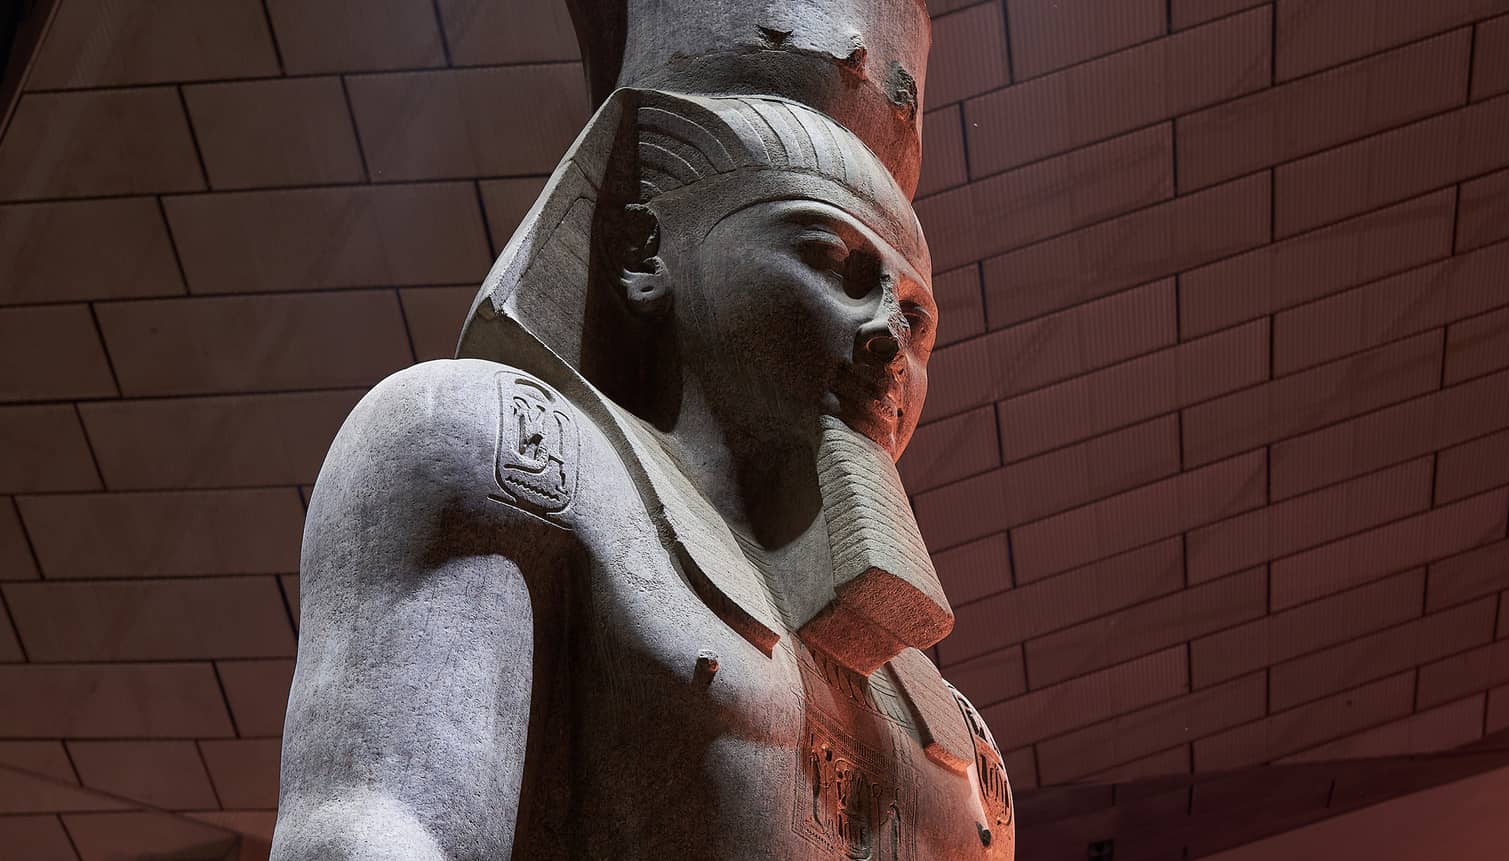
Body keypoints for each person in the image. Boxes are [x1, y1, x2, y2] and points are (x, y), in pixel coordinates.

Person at [272, 17, 1014, 861]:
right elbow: (377, 833)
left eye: (916, 320)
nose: (887, 334)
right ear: (644, 246)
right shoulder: (486, 448)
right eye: (837, 266)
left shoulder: (963, 743)